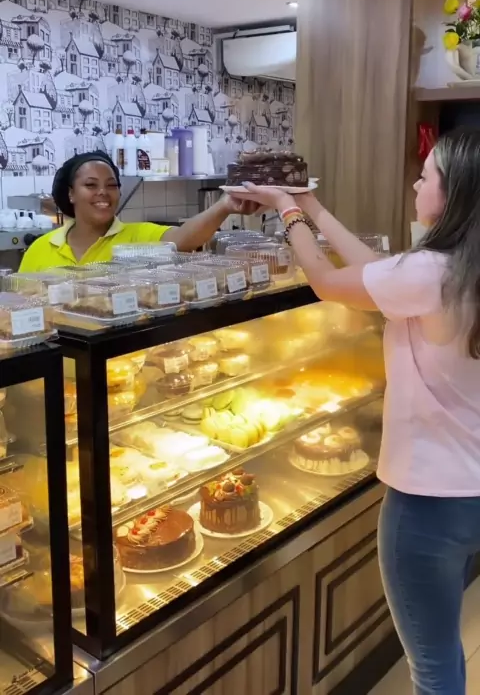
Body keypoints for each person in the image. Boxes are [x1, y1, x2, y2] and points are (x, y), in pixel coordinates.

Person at [230, 126, 480, 695]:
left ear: (456, 192)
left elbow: (325, 282)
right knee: (446, 648)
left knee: (434, 666)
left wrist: (288, 211)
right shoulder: (458, 268)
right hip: (473, 490)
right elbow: (374, 272)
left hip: (428, 502)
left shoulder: (432, 271)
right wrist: (313, 205)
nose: (415, 184)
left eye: (426, 176)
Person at [19, 152, 255, 272]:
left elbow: (184, 238)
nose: (103, 192)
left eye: (112, 185)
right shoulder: (41, 248)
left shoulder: (137, 236)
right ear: (71, 193)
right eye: (90, 185)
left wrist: (225, 205)